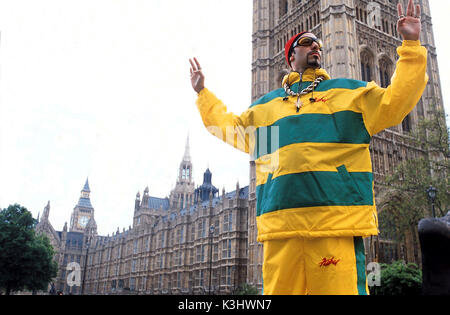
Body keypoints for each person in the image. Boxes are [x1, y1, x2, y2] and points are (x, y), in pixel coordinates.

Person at [189, 0, 428, 295]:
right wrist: (202, 94)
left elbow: (399, 101)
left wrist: (411, 45)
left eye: (319, 44)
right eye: (307, 43)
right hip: (281, 230)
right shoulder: (267, 109)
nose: (316, 46)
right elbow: (228, 128)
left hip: (334, 226)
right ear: (290, 57)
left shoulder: (347, 94)